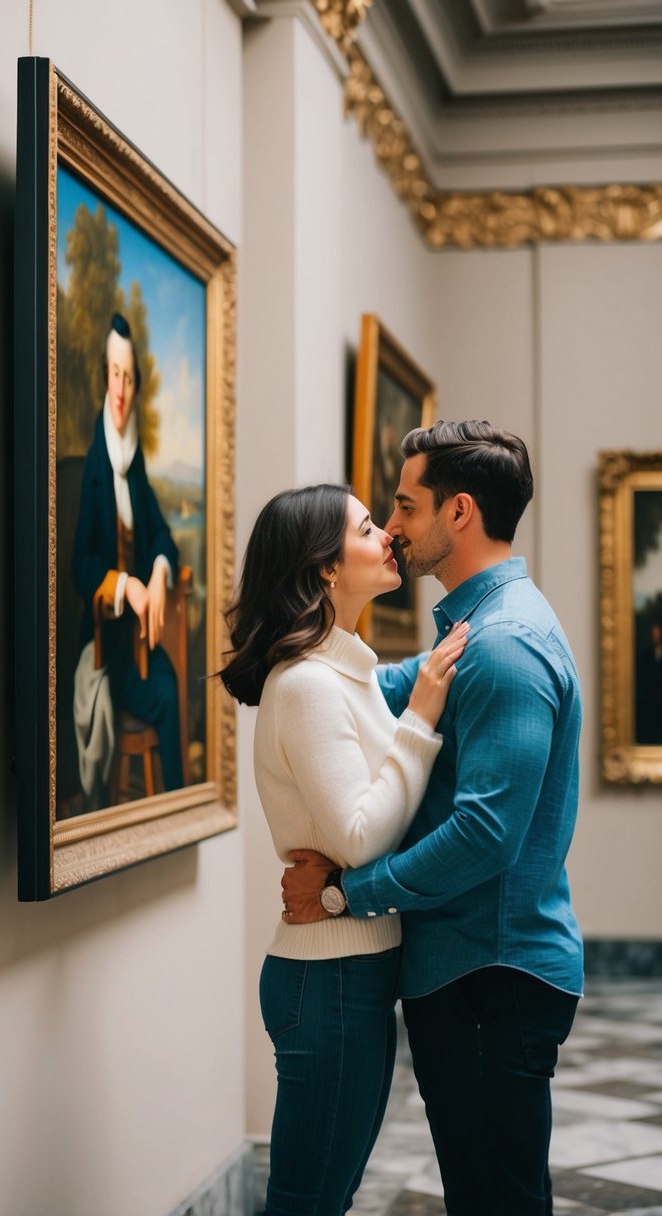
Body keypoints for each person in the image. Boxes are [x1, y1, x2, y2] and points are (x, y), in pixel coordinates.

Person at [282, 421, 584, 1216]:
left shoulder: (504, 644)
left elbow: (486, 833)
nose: (391, 527)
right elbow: (373, 689)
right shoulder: (469, 630)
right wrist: (287, 656)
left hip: (491, 973)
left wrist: (346, 891)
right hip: (475, 969)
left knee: (497, 1201)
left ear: (457, 514)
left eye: (404, 505)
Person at [219, 484, 468, 1216]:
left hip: (350, 974)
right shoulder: (305, 686)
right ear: (325, 568)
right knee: (308, 1201)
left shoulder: (346, 672)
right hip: (326, 979)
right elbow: (359, 836)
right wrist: (420, 719)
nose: (387, 534)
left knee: (324, 1194)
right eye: (367, 527)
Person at [72, 312, 183, 807]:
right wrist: (126, 585)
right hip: (101, 638)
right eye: (114, 374)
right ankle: (170, 806)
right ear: (104, 378)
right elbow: (80, 564)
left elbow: (162, 533)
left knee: (168, 681)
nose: (121, 388)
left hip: (135, 638)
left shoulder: (133, 463)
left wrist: (157, 575)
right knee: (163, 689)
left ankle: (175, 807)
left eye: (129, 377)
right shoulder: (95, 462)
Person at [635, 616, 662, 745]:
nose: (654, 633)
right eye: (653, 630)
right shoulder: (645, 655)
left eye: (657, 630)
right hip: (649, 709)